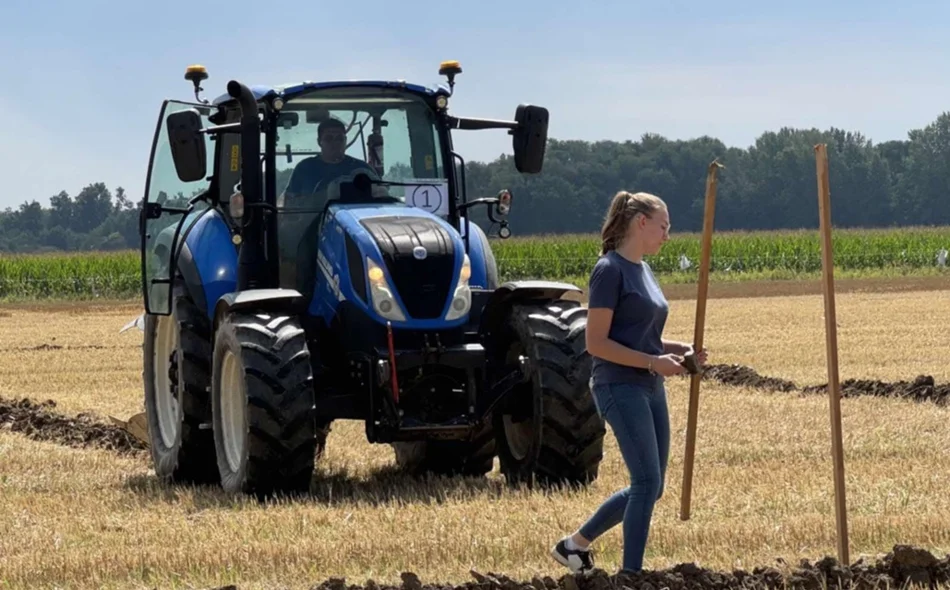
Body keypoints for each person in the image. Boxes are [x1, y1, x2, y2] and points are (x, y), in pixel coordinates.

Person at [550, 190, 708, 575]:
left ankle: (574, 546)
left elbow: (642, 337)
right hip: (618, 386)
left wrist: (682, 352)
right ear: (641, 222)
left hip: (649, 385)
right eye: (663, 226)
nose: (667, 235)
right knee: (646, 481)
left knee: (653, 487)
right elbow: (597, 343)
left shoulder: (644, 270)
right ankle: (632, 576)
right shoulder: (609, 271)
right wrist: (654, 362)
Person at [280, 116, 377, 205]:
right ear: (319, 142)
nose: (335, 143)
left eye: (339, 139)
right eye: (329, 139)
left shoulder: (363, 170)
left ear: (345, 140)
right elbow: (289, 205)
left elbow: (380, 199)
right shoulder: (304, 169)